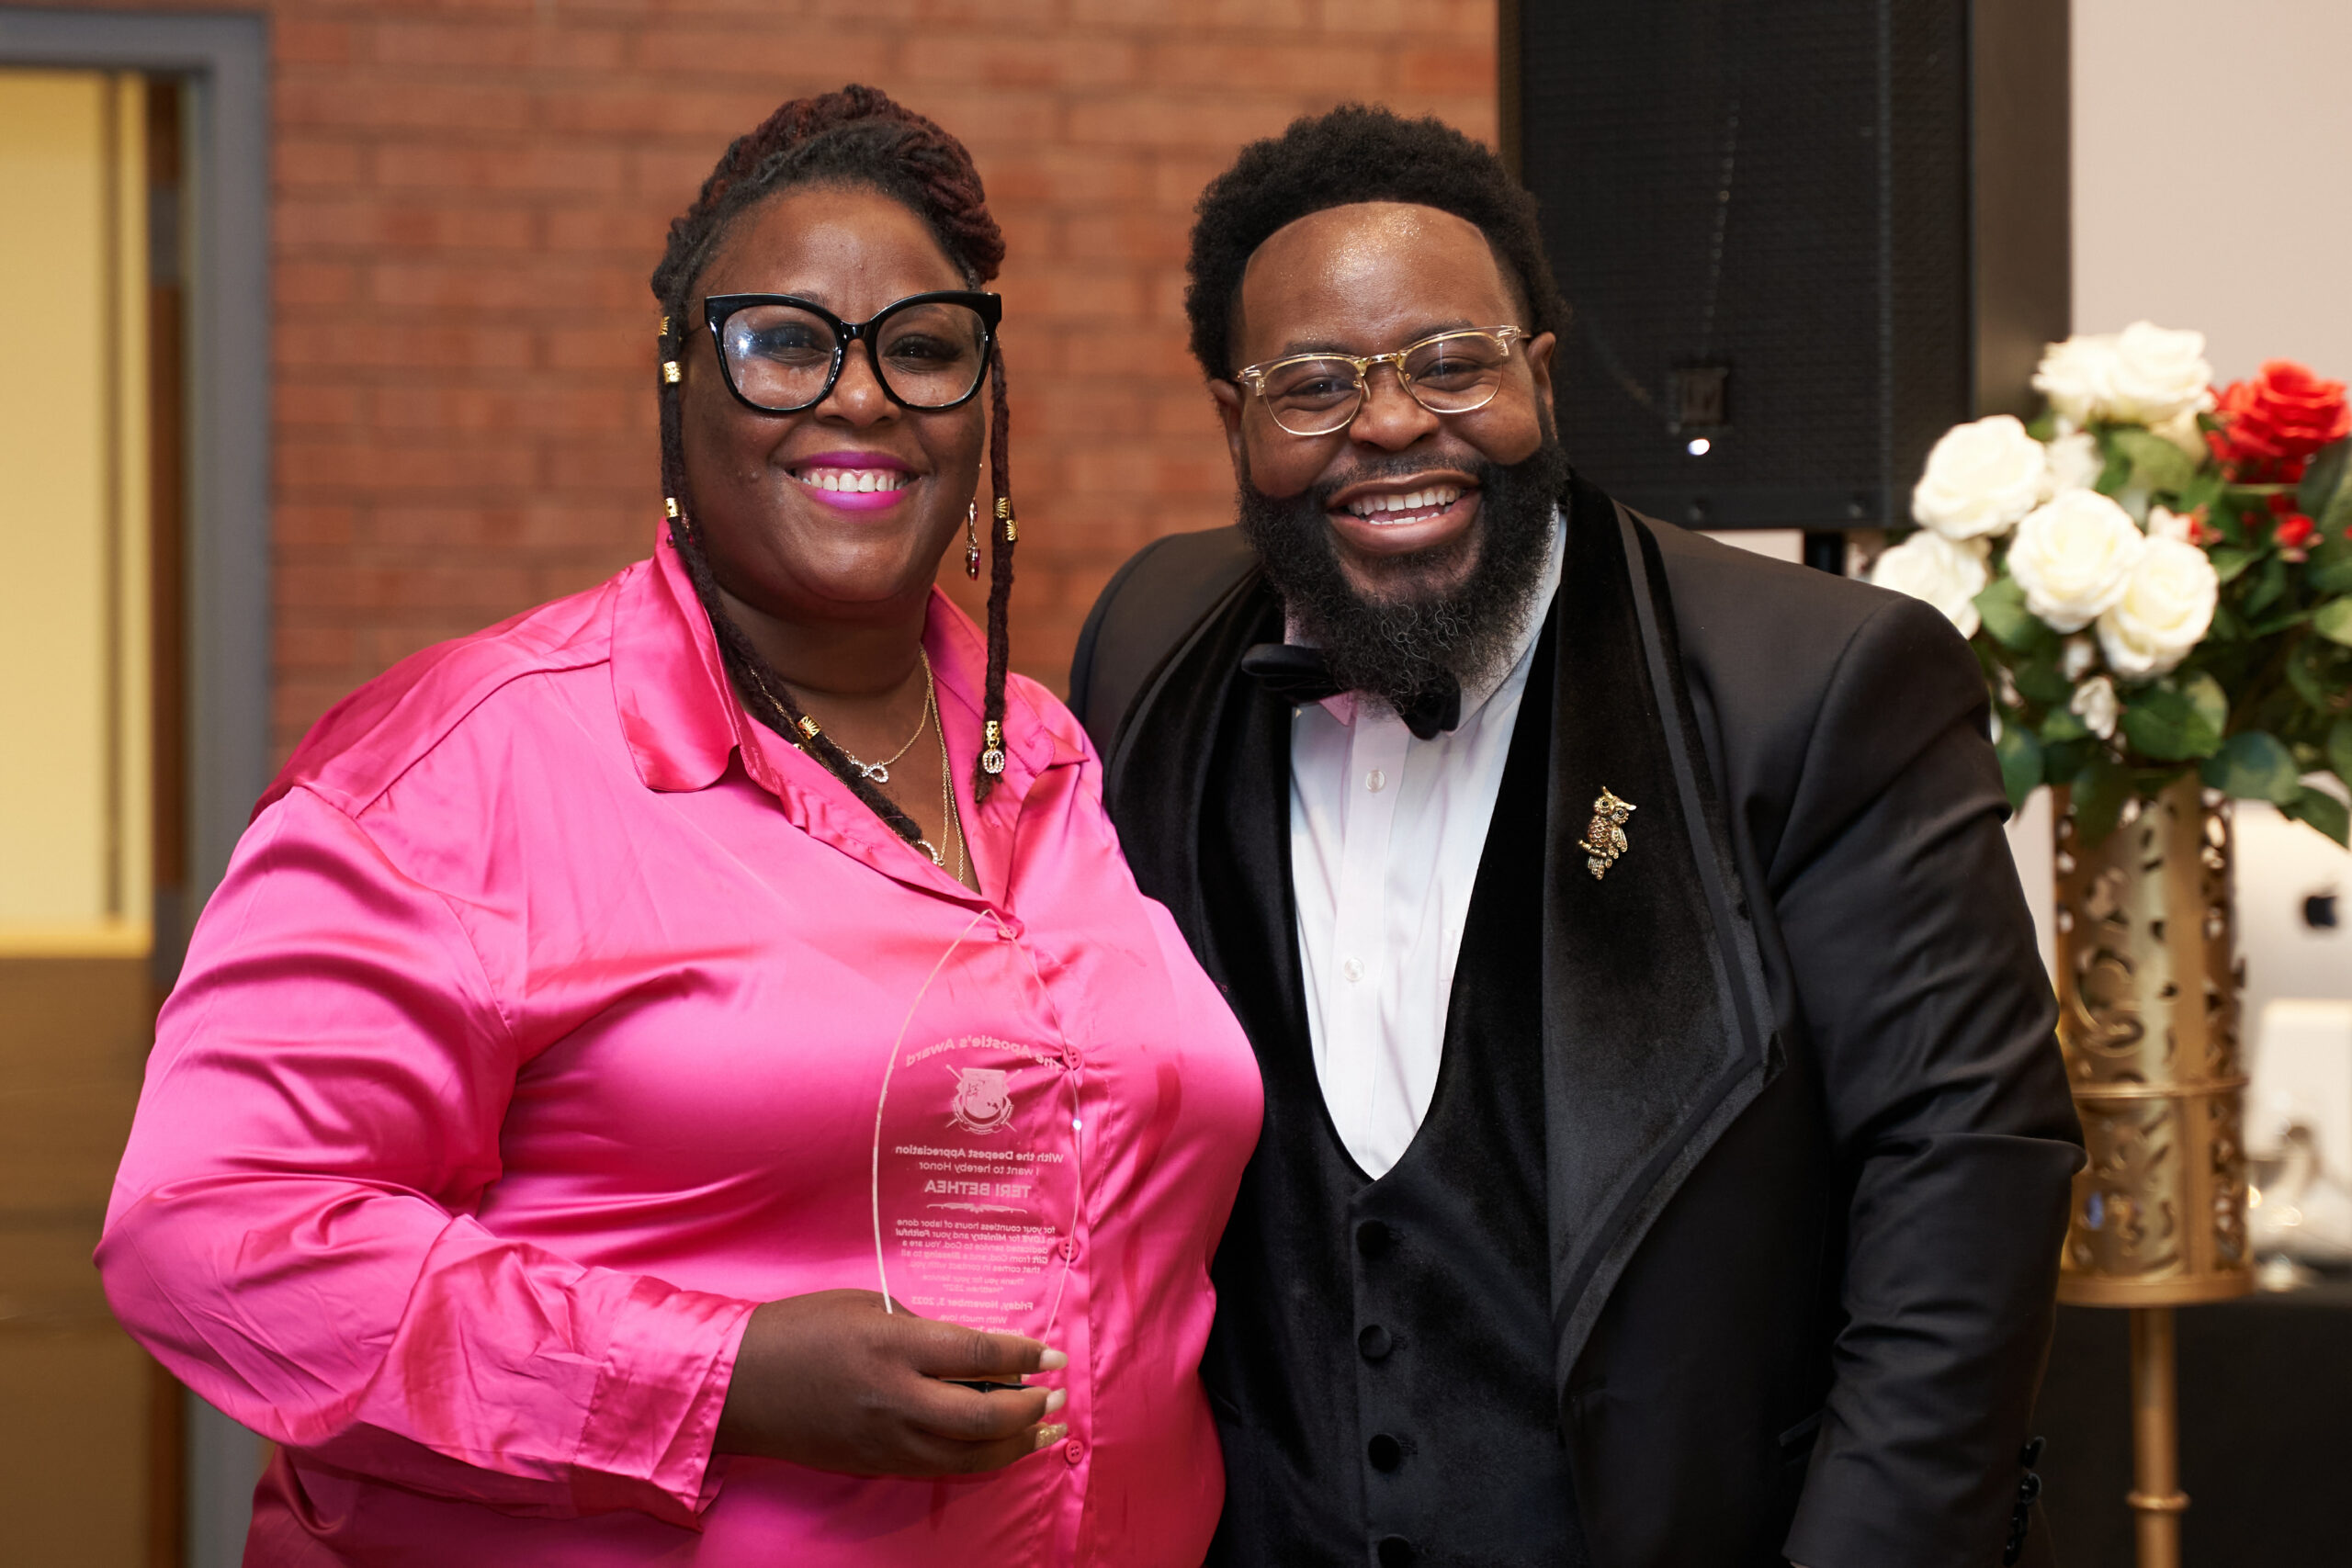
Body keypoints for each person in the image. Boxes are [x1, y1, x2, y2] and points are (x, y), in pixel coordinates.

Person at [98, 85, 1261, 1566]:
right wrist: (720, 1378)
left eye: (922, 348)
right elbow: (209, 1234)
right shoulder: (466, 767)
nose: (862, 397)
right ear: (679, 386)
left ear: (985, 406)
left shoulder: (1045, 755)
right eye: (784, 342)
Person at [1069, 105, 2083, 1568]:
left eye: (1450, 362)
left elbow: (1965, 1182)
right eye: (1314, 384)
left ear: (1539, 374)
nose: (1392, 423)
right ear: (1235, 422)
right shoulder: (1145, 649)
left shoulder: (1816, 687)